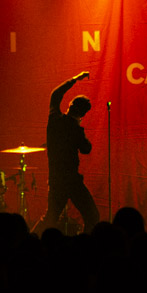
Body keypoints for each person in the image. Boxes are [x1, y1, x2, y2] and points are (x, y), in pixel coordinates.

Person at [33, 71, 100, 233]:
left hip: (56, 179)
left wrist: (75, 79)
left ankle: (28, 242)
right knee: (92, 216)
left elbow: (55, 94)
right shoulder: (75, 130)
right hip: (71, 180)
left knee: (50, 218)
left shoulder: (54, 119)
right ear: (83, 114)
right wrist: (78, 126)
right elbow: (86, 149)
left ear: (70, 105)